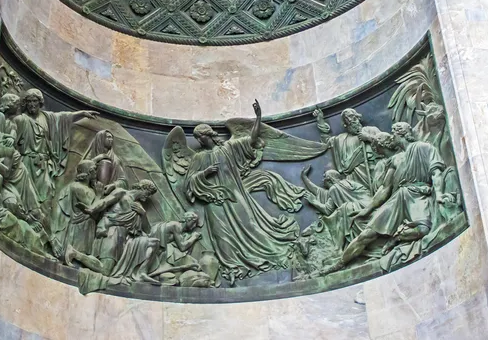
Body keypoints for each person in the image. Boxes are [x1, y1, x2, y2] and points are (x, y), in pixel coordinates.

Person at [183, 100, 299, 283]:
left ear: (208, 135)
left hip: (234, 195)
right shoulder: (199, 157)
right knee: (221, 235)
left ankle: (268, 253)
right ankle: (232, 267)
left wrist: (258, 117)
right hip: (214, 200)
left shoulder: (229, 147)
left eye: (200, 137)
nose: (198, 141)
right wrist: (204, 173)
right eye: (197, 138)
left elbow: (252, 140)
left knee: (251, 225)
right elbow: (188, 183)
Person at [323, 122, 451, 273]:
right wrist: (368, 209)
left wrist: (440, 194)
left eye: (394, 133)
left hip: (417, 196)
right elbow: (385, 188)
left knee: (423, 230)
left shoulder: (424, 148)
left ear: (401, 134)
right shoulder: (395, 160)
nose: (392, 136)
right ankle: (339, 264)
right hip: (397, 198)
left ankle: (396, 238)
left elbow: (436, 173)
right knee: (366, 235)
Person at [14, 88, 98, 203]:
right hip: (27, 162)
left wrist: (82, 114)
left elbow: (64, 118)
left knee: (47, 189)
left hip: (43, 165)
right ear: (25, 103)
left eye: (35, 101)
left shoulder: (46, 117)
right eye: (29, 101)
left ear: (40, 102)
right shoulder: (21, 120)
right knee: (26, 193)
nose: (32, 104)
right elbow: (14, 143)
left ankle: (40, 218)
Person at [301, 166, 371, 252]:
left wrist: (314, 201)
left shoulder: (335, 189)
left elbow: (327, 210)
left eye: (324, 177)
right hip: (369, 205)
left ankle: (338, 249)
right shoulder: (346, 184)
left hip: (360, 208)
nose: (322, 181)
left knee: (343, 210)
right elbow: (318, 191)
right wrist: (304, 177)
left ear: (330, 180)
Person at [313, 108, 378, 193]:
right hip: (353, 180)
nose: (353, 122)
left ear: (358, 118)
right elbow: (327, 142)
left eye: (354, 118)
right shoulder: (341, 139)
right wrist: (320, 121)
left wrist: (368, 137)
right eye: (348, 121)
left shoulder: (371, 130)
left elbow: (385, 143)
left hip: (373, 171)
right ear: (345, 124)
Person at [149, 211, 204, 281]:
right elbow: (182, 247)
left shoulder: (179, 229)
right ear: (188, 220)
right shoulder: (176, 226)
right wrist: (194, 237)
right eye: (193, 223)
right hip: (158, 252)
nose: (194, 227)